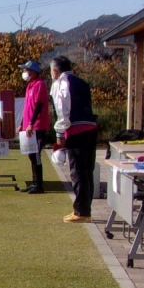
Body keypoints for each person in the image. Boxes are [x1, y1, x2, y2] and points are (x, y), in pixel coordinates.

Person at [49, 56, 98, 223]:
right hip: (91, 127)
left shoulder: (60, 84)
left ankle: (81, 211)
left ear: (55, 71)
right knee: (87, 171)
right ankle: (85, 209)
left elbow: (62, 110)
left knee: (77, 171)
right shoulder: (82, 82)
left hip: (76, 129)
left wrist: (60, 135)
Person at [16, 61, 52, 194]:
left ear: (34, 72)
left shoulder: (40, 84)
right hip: (28, 126)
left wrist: (31, 123)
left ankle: (39, 185)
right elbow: (27, 108)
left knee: (35, 154)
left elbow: (39, 105)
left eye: (27, 70)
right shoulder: (29, 86)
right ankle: (34, 182)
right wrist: (22, 124)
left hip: (37, 126)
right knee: (31, 154)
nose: (25, 73)